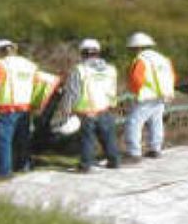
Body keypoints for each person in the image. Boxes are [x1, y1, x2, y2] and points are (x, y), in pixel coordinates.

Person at [0, 39, 44, 178]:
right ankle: (24, 166)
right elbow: (37, 86)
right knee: (23, 139)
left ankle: (4, 171)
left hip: (6, 108)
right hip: (25, 108)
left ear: (0, 51)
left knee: (4, 140)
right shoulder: (30, 65)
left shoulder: (2, 64)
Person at [58, 38, 120, 172]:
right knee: (108, 138)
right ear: (98, 52)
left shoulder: (80, 70)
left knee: (87, 140)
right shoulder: (110, 69)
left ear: (83, 53)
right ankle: (114, 161)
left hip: (86, 112)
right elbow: (113, 90)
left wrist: (66, 110)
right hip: (104, 109)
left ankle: (85, 165)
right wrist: (112, 105)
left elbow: (72, 93)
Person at [123, 32, 175, 163]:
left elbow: (136, 79)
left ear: (137, 47)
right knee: (156, 122)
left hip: (147, 97)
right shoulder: (163, 59)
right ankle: (155, 149)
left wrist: (135, 92)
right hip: (162, 96)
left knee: (133, 122)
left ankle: (134, 153)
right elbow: (173, 76)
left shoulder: (141, 60)